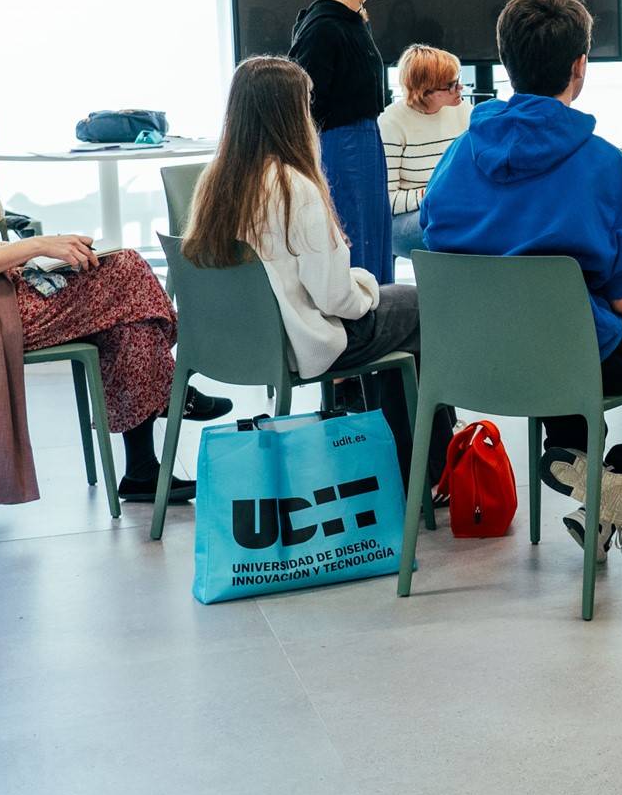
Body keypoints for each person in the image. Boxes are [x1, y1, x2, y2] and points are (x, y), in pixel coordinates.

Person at [422, 0, 622, 556]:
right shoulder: (604, 164)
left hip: (475, 359)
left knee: (553, 318)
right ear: (579, 67)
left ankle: (575, 457)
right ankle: (620, 486)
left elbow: (440, 246)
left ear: (506, 61)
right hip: (568, 357)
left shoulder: (457, 156)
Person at [0, 42, 226, 506]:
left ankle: (144, 467)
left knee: (128, 317)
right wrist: (37, 246)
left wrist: (36, 256)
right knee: (129, 271)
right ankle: (173, 395)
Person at [182, 56, 452, 494]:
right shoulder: (294, 187)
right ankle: (430, 474)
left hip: (236, 342)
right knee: (418, 305)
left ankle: (417, 470)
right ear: (291, 115)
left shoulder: (216, 181)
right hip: (299, 343)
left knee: (401, 317)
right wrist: (368, 288)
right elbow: (335, 299)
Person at [289, 0, 396, 284]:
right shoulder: (323, 28)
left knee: (373, 250)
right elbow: (300, 106)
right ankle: (360, 340)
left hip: (364, 147)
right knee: (355, 256)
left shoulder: (353, 22)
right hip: (340, 154)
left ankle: (380, 332)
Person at [378, 44, 471, 259]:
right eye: (451, 85)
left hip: (454, 207)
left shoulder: (464, 111)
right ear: (424, 91)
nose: (460, 88)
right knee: (451, 221)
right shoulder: (391, 123)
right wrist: (433, 194)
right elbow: (387, 200)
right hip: (407, 220)